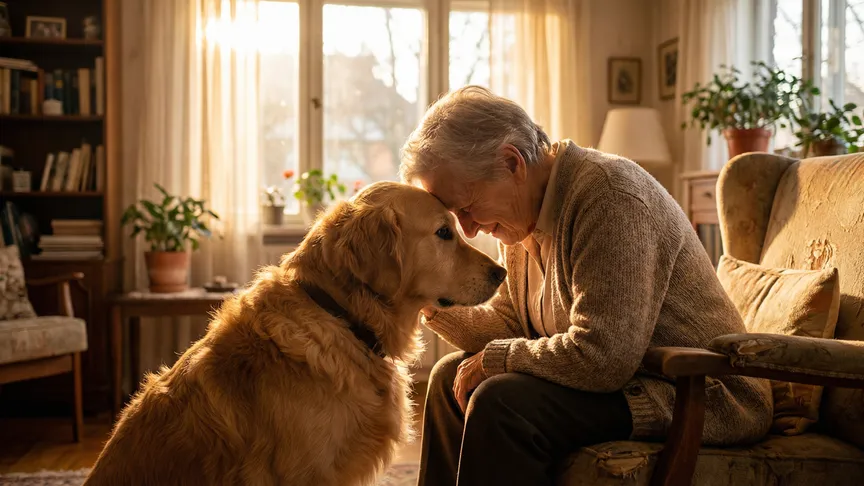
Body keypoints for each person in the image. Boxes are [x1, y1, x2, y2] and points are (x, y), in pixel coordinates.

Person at [398, 86, 772, 486]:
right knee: (446, 377)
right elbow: (510, 326)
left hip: (699, 391)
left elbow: (603, 356)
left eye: (467, 209)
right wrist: (425, 299)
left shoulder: (610, 196)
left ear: (511, 163)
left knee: (501, 401)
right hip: (629, 378)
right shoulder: (521, 217)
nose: (469, 229)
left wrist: (497, 360)